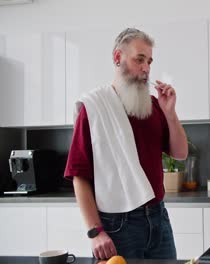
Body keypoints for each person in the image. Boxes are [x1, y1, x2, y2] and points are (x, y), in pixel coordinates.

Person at [64, 28, 188, 260]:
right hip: (117, 225)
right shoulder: (93, 108)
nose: (146, 68)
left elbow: (180, 153)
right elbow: (79, 176)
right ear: (117, 57)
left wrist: (170, 113)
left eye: (149, 61)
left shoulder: (153, 105)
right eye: (139, 59)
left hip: (158, 217)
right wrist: (95, 232)